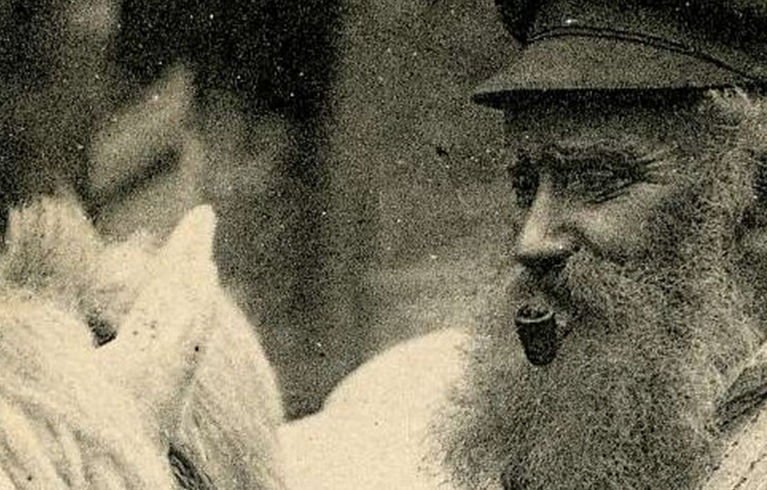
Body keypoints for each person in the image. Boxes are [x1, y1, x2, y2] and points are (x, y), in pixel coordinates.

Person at [281, 1, 767, 489]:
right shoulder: (403, 393)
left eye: (597, 178)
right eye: (525, 185)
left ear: (753, 203)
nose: (531, 240)